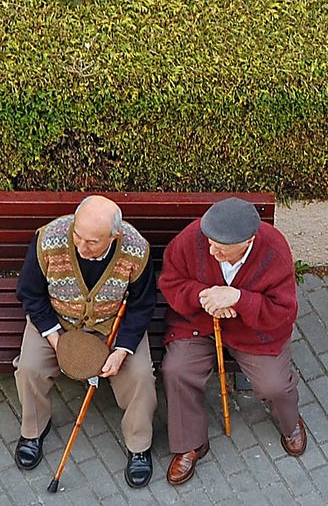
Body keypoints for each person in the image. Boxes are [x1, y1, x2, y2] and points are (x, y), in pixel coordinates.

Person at [159, 197, 305, 485]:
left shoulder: (274, 250)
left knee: (274, 385)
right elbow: (171, 281)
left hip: (253, 331)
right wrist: (205, 296)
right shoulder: (194, 238)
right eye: (210, 242)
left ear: (248, 241)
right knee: (176, 370)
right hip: (199, 322)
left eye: (221, 248)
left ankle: (290, 423)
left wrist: (239, 299)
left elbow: (283, 311)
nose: (211, 250)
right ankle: (190, 443)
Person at [14, 195, 157, 488]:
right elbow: (30, 294)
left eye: (92, 242)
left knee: (141, 376)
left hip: (109, 328)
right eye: (77, 236)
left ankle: (139, 445)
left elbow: (142, 306)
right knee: (29, 368)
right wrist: (56, 341)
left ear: (114, 236)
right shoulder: (48, 238)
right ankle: (34, 429)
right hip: (57, 322)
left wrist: (121, 350)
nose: (81, 246)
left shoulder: (136, 248)